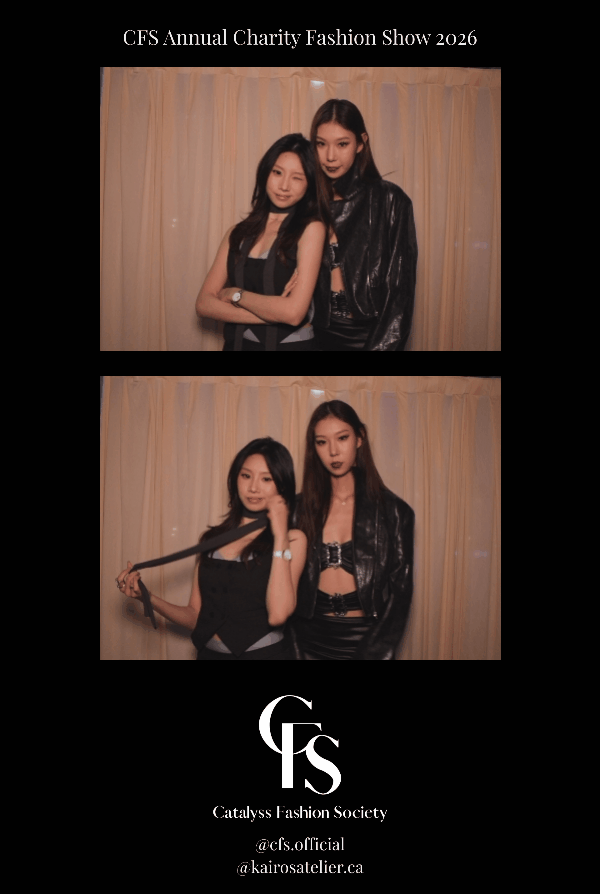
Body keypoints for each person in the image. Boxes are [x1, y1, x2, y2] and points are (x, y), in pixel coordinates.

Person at [117, 438, 307, 660]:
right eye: (246, 475)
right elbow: (196, 615)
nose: (253, 487)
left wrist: (281, 533)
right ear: (235, 478)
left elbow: (278, 614)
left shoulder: (293, 539)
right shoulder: (211, 540)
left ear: (281, 485)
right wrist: (147, 597)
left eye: (266, 478)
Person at [290, 401, 415, 659]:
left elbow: (400, 595)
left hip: (367, 640)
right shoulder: (296, 510)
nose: (333, 451)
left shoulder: (395, 512)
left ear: (360, 438)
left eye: (342, 438)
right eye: (322, 442)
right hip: (307, 641)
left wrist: (377, 650)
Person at [196, 133, 328, 351]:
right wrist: (273, 313)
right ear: (265, 173)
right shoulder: (237, 233)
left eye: (297, 177)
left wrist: (234, 294)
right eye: (277, 172)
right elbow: (203, 304)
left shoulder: (311, 229)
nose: (284, 185)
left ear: (309, 184)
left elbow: (294, 314)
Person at [310, 99, 418, 351]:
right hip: (314, 336)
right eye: (321, 144)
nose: (330, 156)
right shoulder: (309, 201)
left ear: (361, 143)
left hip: (369, 337)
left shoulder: (391, 201)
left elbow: (399, 297)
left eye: (342, 144)